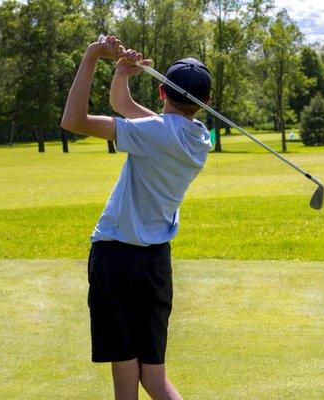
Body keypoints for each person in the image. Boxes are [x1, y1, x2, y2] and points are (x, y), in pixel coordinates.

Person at [61, 35, 212, 400]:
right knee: (155, 379)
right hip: (156, 264)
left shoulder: (156, 132)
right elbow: (122, 104)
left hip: (117, 260)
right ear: (205, 102)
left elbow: (73, 120)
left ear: (161, 92)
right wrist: (122, 74)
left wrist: (92, 55)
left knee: (127, 380)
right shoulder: (198, 137)